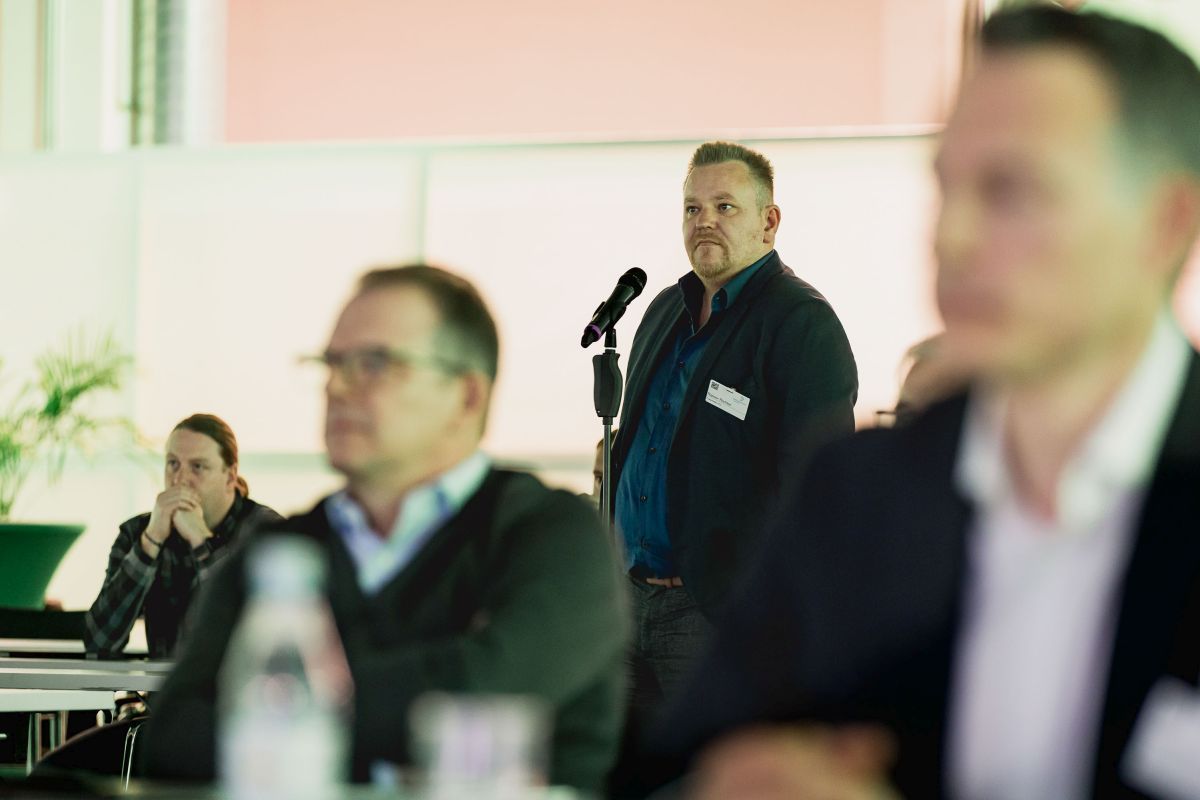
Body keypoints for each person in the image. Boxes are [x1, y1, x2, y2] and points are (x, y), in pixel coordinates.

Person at [667, 7, 1200, 800]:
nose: (952, 236)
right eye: (947, 187)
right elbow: (687, 764)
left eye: (1010, 191)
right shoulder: (856, 493)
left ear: (1164, 222)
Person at [141, 265, 628, 793]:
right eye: (331, 364)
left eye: (374, 364)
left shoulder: (554, 536)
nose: (337, 386)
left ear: (466, 396)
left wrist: (271, 708)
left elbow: (488, 688)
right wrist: (423, 691)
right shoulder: (283, 548)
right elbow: (171, 736)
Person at [610, 141, 858, 719]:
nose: (704, 222)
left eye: (725, 207)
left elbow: (817, 491)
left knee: (710, 763)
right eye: (692, 208)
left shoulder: (800, 322)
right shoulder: (663, 310)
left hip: (713, 614)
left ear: (768, 222)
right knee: (621, 765)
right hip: (626, 603)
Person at [83, 413, 281, 659]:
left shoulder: (267, 531)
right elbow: (99, 641)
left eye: (198, 467)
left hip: (235, 684)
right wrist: (151, 542)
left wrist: (202, 541)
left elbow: (258, 640)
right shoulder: (138, 532)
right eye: (173, 463)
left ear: (230, 476)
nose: (180, 479)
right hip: (165, 684)